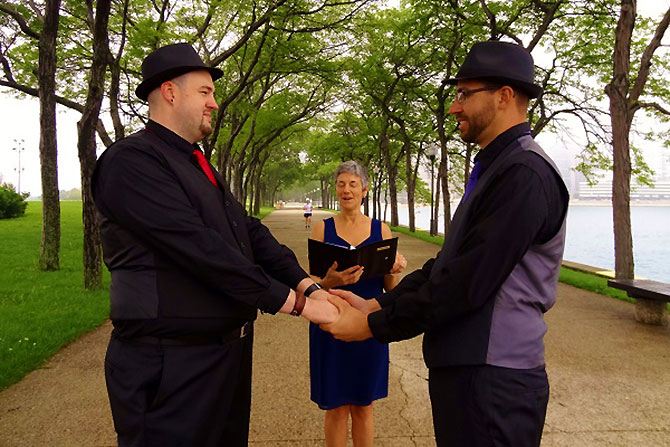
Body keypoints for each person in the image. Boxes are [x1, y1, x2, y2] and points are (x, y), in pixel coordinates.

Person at [321, 41, 569, 447]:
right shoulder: (496, 169)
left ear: (505, 96)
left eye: (464, 95)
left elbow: (464, 284)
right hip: (468, 372)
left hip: (494, 380)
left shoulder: (524, 174)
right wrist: (377, 304)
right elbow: (446, 265)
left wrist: (371, 325)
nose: (454, 107)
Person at [92, 43, 338, 447]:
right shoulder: (131, 162)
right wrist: (296, 305)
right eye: (205, 92)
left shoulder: (196, 163)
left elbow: (248, 231)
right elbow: (201, 249)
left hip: (226, 358)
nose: (214, 103)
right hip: (171, 366)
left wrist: (306, 284)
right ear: (170, 92)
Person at [309, 160, 406, 447]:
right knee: (336, 408)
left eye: (353, 184)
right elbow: (311, 285)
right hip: (331, 325)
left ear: (364, 190)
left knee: (364, 406)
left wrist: (392, 270)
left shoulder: (382, 230)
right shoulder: (321, 230)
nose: (346, 190)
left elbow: (390, 290)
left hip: (369, 326)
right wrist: (330, 282)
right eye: (341, 184)